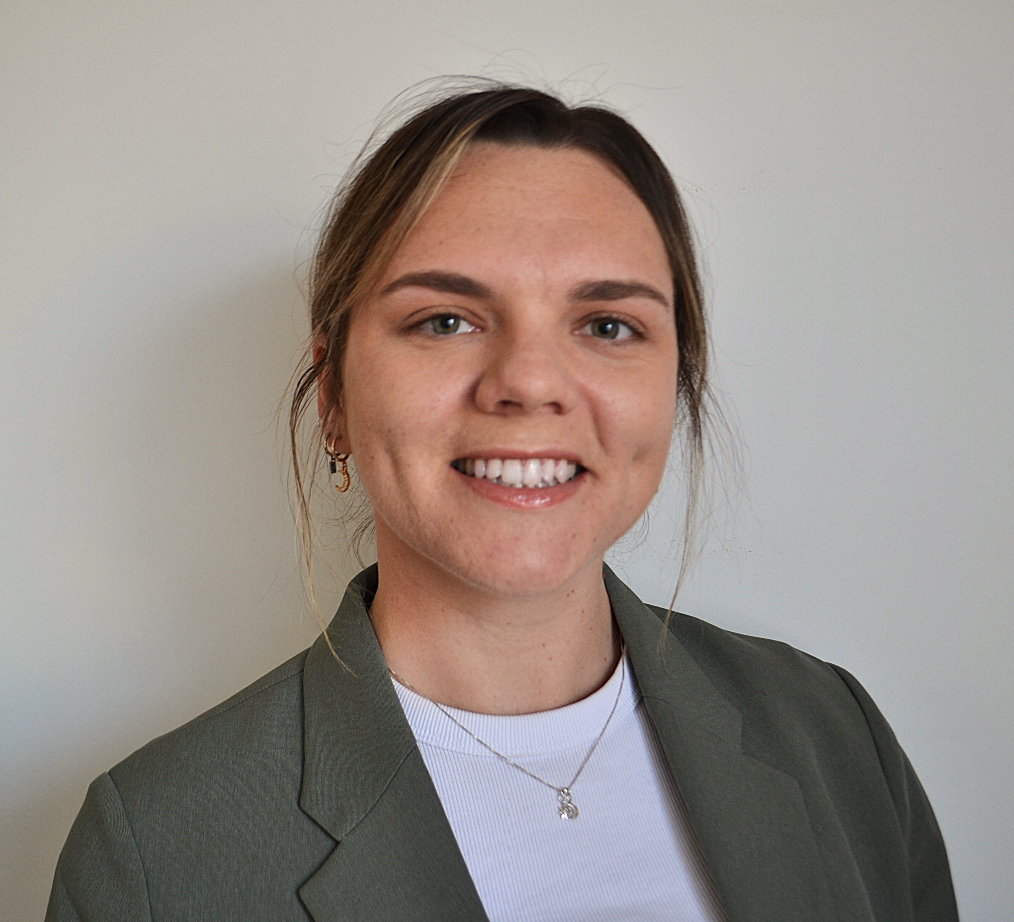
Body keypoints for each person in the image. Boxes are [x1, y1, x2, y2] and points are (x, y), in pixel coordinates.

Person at [47, 83, 959, 922]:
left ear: (674, 384)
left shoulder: (837, 736)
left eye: (608, 325)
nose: (528, 383)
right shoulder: (156, 852)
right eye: (445, 320)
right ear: (333, 395)